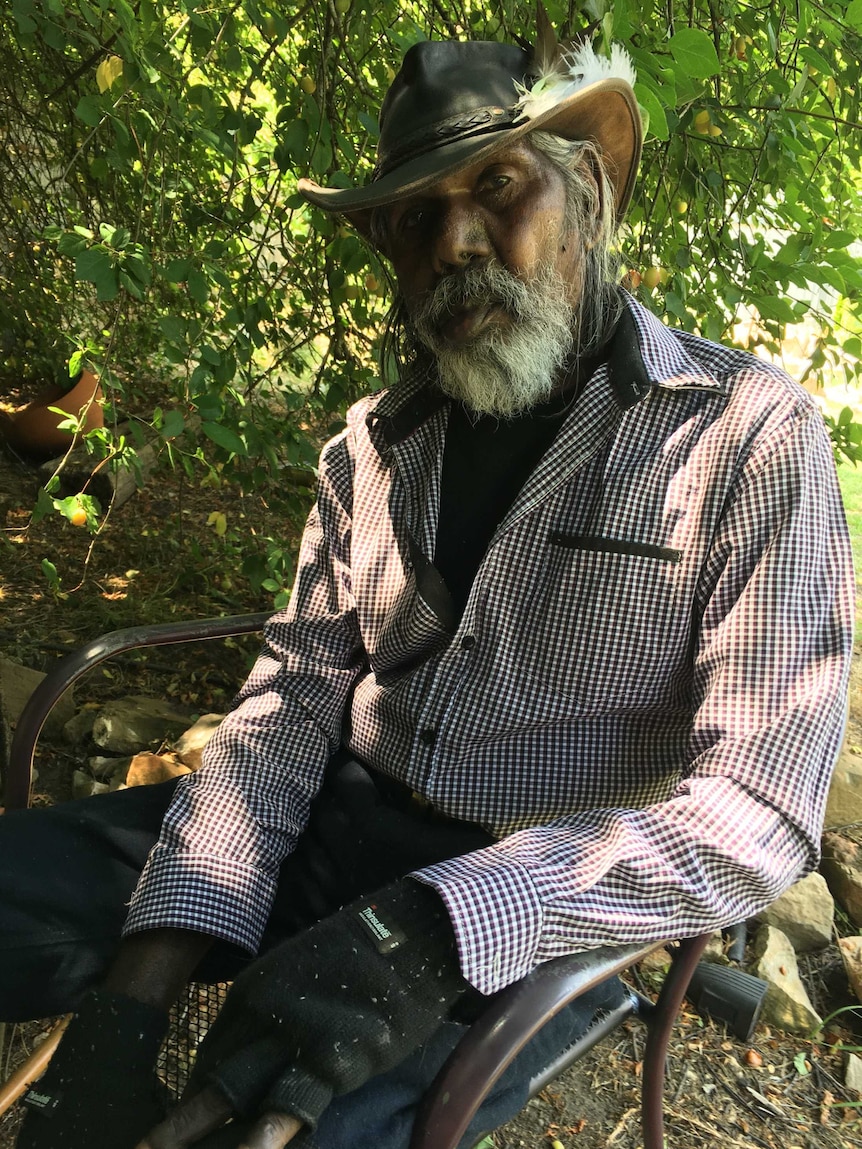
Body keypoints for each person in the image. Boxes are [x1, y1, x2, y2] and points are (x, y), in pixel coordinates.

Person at [1, 12, 853, 1149]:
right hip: (328, 822)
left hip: (544, 891)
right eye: (416, 218)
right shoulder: (372, 442)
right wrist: (131, 1000)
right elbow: (291, 703)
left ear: (588, 197)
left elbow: (760, 805)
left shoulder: (747, 437)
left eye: (497, 187)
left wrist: (438, 924)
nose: (455, 240)